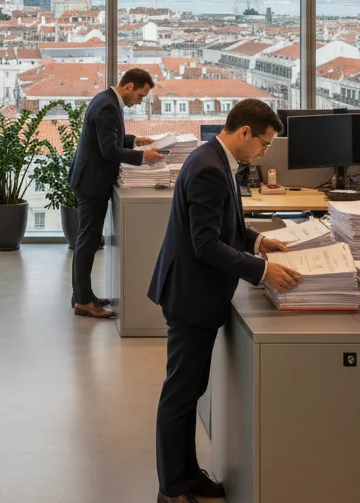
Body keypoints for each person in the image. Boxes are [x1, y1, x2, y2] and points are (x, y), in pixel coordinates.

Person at [147, 99, 304, 503]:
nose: (266, 152)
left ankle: (187, 475)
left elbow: (225, 223)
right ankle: (170, 489)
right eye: (265, 144)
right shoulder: (208, 169)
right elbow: (205, 244)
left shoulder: (218, 161)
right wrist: (260, 269)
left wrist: (256, 240)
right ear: (245, 132)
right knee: (180, 394)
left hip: (196, 292)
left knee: (191, 390)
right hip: (190, 294)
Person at [68, 68, 166, 319]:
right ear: (129, 86)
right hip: (92, 182)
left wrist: (134, 141)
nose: (140, 101)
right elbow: (108, 151)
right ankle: (82, 300)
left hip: (90, 178)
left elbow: (111, 138)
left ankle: (83, 294)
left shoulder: (106, 99)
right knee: (88, 241)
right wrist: (143, 158)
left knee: (87, 239)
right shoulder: (108, 106)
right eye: (141, 95)